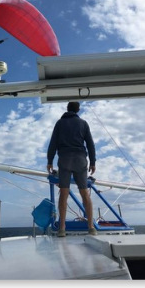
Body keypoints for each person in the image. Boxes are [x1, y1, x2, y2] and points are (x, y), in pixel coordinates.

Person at [47, 101, 96, 237]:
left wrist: (50, 160)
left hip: (65, 159)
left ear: (67, 109)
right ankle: (91, 227)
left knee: (64, 193)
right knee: (84, 193)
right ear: (78, 110)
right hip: (80, 160)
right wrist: (93, 162)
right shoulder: (84, 123)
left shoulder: (59, 123)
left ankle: (62, 228)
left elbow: (53, 143)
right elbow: (90, 144)